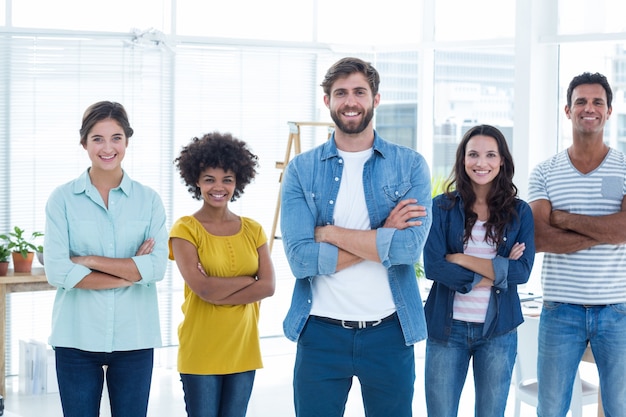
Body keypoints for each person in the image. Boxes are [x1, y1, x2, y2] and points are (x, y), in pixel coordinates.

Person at [280, 56, 432, 417]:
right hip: (319, 333)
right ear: (327, 101)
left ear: (375, 99)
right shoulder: (302, 170)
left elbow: (408, 249)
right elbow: (301, 261)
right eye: (341, 93)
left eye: (359, 92)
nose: (351, 101)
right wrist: (383, 238)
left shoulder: (410, 165)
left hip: (390, 333)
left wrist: (329, 234)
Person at [44, 101, 169, 417]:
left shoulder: (149, 200)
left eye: (116, 137)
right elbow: (58, 271)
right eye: (97, 138)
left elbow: (155, 268)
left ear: (127, 140)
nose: (107, 147)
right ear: (84, 142)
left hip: (134, 339)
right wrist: (130, 271)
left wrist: (87, 260)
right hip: (76, 338)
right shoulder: (62, 199)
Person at [528, 72, 626, 417]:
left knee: (619, 408)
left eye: (597, 101)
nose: (589, 108)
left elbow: (625, 230)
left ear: (609, 111)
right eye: (581, 101)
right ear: (567, 110)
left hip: (617, 310)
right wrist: (607, 230)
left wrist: (564, 218)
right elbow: (539, 237)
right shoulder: (544, 172)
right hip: (560, 310)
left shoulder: (625, 167)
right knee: (551, 409)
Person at [423, 124, 535, 417]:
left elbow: (522, 272)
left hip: (498, 331)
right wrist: (498, 274)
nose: (481, 163)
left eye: (489, 155)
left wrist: (459, 259)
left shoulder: (520, 212)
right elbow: (434, 267)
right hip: (446, 330)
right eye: (473, 154)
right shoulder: (441, 208)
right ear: (463, 160)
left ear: (502, 161)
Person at [169, 132, 276, 417]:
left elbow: (268, 287)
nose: (219, 187)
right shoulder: (185, 229)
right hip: (201, 349)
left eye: (227, 179)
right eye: (209, 179)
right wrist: (246, 281)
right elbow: (202, 289)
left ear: (238, 181)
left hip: (244, 348)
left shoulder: (253, 229)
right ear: (196, 181)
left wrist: (218, 289)